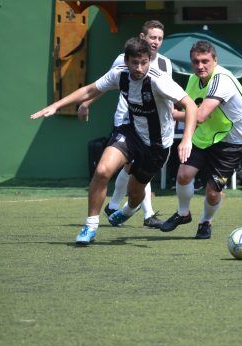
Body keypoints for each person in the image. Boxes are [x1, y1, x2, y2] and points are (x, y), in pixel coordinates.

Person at [31, 37, 197, 245]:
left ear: (149, 61)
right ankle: (90, 226)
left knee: (135, 194)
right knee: (102, 171)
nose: (139, 68)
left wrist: (186, 139)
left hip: (157, 146)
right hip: (131, 133)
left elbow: (191, 106)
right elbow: (90, 90)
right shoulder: (119, 74)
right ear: (126, 60)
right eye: (134, 62)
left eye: (143, 62)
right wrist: (56, 106)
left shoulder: (159, 79)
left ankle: (128, 209)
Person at [79, 20, 172, 229]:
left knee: (132, 169)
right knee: (126, 167)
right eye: (152, 38)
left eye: (159, 38)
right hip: (127, 120)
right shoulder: (124, 60)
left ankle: (117, 207)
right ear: (142, 38)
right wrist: (86, 102)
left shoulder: (165, 64)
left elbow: (169, 98)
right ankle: (143, 214)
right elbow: (105, 84)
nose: (155, 42)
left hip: (154, 126)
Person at [161, 40, 242, 239]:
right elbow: (189, 108)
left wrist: (170, 113)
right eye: (196, 61)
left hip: (232, 142)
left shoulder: (222, 80)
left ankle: (205, 221)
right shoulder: (194, 79)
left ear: (215, 60)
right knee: (184, 174)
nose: (200, 66)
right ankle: (183, 213)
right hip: (205, 136)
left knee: (212, 192)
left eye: (205, 61)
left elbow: (200, 115)